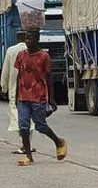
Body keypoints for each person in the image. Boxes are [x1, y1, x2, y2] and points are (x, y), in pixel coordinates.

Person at [14, 28, 67, 166]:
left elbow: (49, 77)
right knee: (23, 126)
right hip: (23, 97)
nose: (27, 41)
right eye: (26, 38)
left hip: (38, 96)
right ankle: (28, 156)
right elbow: (18, 75)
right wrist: (15, 95)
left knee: (40, 125)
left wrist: (51, 98)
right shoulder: (21, 55)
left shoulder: (44, 56)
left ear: (37, 40)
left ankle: (59, 141)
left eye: (30, 39)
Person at [1, 31, 34, 154]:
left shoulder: (11, 50)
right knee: (29, 117)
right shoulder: (33, 49)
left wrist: (3, 87)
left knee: (18, 117)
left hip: (15, 88)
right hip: (31, 88)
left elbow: (6, 70)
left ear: (17, 38)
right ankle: (28, 144)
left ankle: (25, 145)